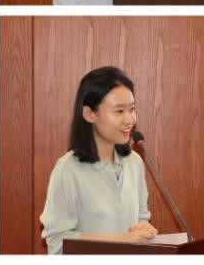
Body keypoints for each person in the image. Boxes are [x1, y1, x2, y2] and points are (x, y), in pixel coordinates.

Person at [40, 66, 157, 254]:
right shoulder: (67, 170)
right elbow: (59, 242)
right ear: (89, 114)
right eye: (119, 111)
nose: (129, 119)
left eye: (132, 109)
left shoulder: (134, 162)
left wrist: (144, 229)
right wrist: (122, 241)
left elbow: (141, 217)